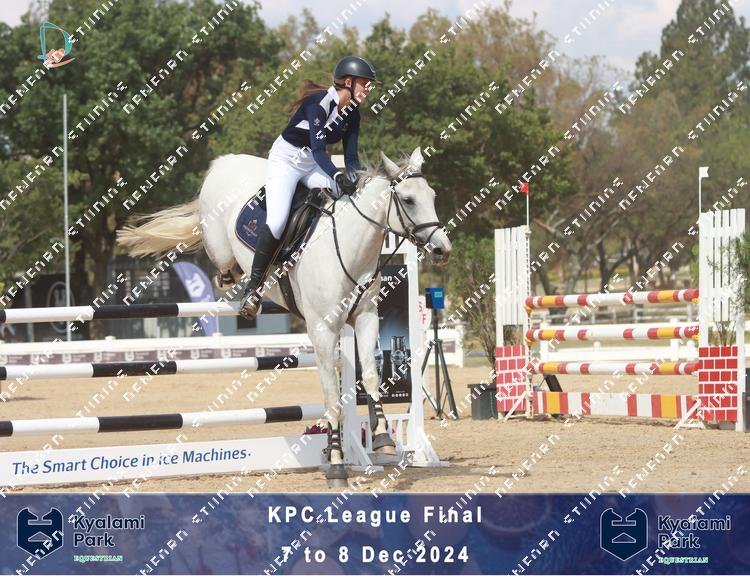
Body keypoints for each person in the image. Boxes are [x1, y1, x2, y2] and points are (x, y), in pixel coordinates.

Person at [239, 55, 378, 318]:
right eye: (365, 83)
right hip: (286, 162)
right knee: (277, 222)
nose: (368, 89)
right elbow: (318, 151)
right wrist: (336, 176)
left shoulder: (353, 114)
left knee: (345, 198)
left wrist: (355, 180)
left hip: (312, 166)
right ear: (348, 82)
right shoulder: (318, 104)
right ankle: (252, 289)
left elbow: (351, 158)